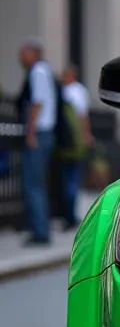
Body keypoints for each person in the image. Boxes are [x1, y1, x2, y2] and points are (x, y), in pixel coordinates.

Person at [16, 42, 58, 245]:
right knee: (37, 183)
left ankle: (40, 231)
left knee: (33, 184)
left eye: (23, 53)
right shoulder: (45, 71)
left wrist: (30, 133)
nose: (20, 57)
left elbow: (37, 103)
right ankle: (39, 228)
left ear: (32, 54)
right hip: (44, 134)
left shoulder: (38, 71)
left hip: (39, 133)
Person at [58, 64, 93, 229]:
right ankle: (70, 215)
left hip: (65, 142)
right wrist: (86, 135)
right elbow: (83, 116)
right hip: (75, 141)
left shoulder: (64, 92)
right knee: (73, 178)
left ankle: (68, 215)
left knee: (67, 178)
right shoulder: (78, 91)